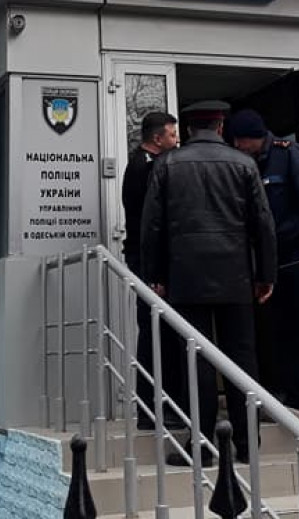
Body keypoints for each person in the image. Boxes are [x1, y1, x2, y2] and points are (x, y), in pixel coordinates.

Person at [141, 100, 276, 465]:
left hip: (186, 277)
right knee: (241, 360)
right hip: (236, 276)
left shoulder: (167, 164)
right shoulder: (244, 163)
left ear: (188, 130)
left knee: (195, 360)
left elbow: (152, 225)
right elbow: (263, 224)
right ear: (220, 128)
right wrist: (265, 275)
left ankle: (201, 446)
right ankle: (247, 444)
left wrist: (155, 276)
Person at [227, 108, 299, 420]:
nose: (237, 146)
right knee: (279, 329)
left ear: (252, 138)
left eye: (240, 141)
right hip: (270, 261)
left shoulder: (289, 155)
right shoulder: (246, 163)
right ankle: (289, 394)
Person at [121, 110, 181, 430]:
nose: (177, 140)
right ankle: (152, 408)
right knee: (156, 334)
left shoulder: (147, 163)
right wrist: (156, 273)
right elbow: (152, 222)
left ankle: (161, 406)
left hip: (150, 260)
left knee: (162, 333)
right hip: (149, 261)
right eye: (172, 135)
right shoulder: (146, 168)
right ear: (157, 139)